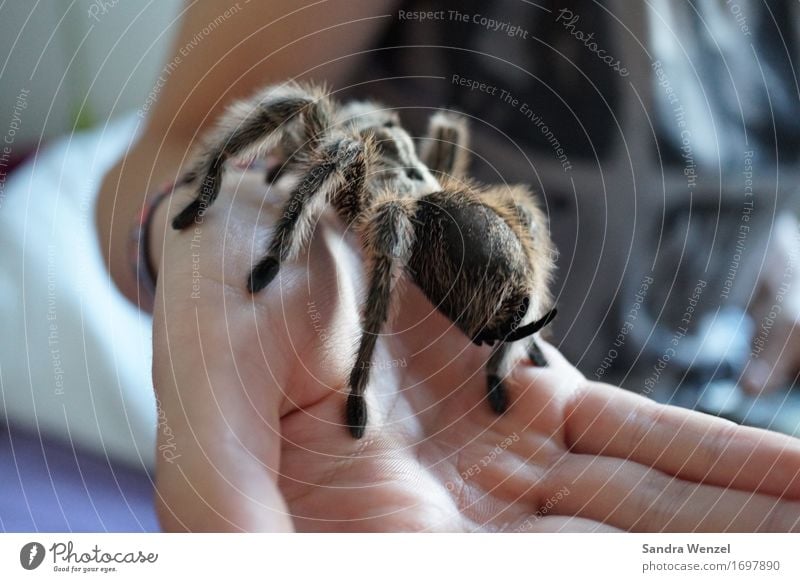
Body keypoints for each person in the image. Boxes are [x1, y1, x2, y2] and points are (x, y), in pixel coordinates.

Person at [97, 0, 800, 531]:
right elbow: (174, 142)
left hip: (713, 419)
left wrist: (777, 255)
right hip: (454, 446)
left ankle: (506, 351)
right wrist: (220, 225)